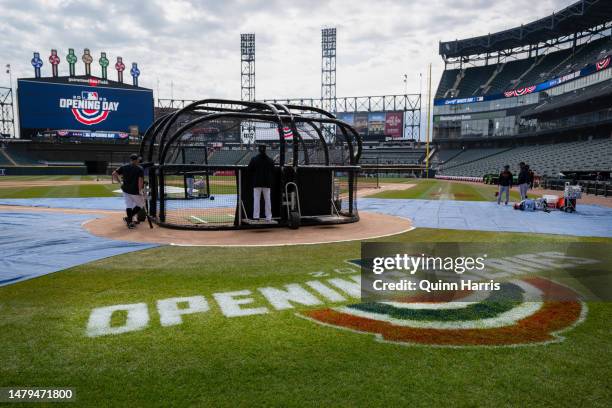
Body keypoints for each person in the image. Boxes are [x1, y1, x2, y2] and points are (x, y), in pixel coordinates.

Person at [112, 153, 144, 229]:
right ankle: (129, 219)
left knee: (129, 206)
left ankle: (129, 221)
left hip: (125, 190)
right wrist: (140, 190)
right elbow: (140, 180)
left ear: (130, 160)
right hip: (135, 190)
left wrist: (119, 181)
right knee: (141, 205)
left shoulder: (124, 167)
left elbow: (114, 174)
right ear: (136, 160)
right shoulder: (139, 168)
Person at [248, 144, 275, 221]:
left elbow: (249, 169)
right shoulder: (270, 160)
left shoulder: (254, 159)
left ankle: (256, 217)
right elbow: (273, 170)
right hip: (267, 183)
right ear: (265, 150)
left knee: (256, 200)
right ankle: (268, 217)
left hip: (257, 183)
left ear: (259, 150)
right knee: (268, 200)